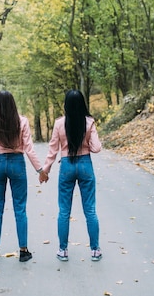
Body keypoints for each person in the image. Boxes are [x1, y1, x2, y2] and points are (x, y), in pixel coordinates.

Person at [0, 90, 45, 263]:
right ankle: (23, 251)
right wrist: (40, 170)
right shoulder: (22, 121)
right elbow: (29, 148)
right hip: (17, 163)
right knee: (20, 208)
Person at [42, 89, 102, 262]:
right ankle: (95, 250)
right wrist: (87, 141)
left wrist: (45, 170)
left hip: (67, 166)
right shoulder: (89, 122)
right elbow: (97, 148)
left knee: (64, 210)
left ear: (66, 105)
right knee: (90, 209)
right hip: (85, 165)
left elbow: (53, 150)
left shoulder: (59, 123)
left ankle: (63, 250)